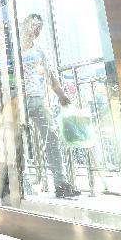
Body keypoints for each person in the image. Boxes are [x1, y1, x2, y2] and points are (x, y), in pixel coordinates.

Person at [18, 13, 79, 199]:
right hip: (17, 101)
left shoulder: (39, 51)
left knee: (52, 137)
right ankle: (21, 185)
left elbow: (50, 75)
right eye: (33, 25)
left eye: (39, 27)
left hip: (36, 98)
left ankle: (61, 184)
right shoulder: (14, 49)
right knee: (18, 142)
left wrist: (61, 95)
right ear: (24, 25)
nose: (35, 30)